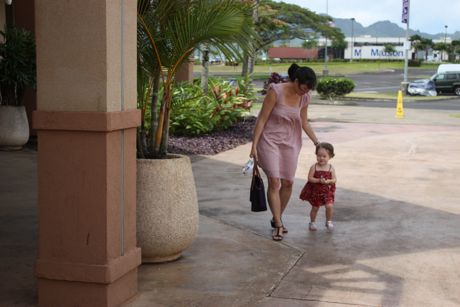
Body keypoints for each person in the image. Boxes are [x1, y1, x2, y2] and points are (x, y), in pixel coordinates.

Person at [250, 63, 320, 241]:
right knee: (275, 182)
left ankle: (276, 217)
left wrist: (316, 142)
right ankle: (279, 224)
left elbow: (304, 122)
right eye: (303, 88)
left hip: (291, 143)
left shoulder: (305, 97)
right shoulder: (276, 91)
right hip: (269, 141)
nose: (304, 92)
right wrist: (254, 146)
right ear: (295, 81)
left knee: (288, 182)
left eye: (308, 90)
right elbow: (262, 119)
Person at [299, 142, 337, 232]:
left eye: (324, 156)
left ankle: (329, 221)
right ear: (316, 155)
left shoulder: (331, 168)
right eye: (319, 155)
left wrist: (328, 181)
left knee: (329, 206)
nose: (321, 158)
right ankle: (312, 222)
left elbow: (334, 179)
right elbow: (310, 178)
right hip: (316, 192)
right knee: (315, 208)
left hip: (327, 192)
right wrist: (319, 180)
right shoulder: (314, 167)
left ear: (330, 156)